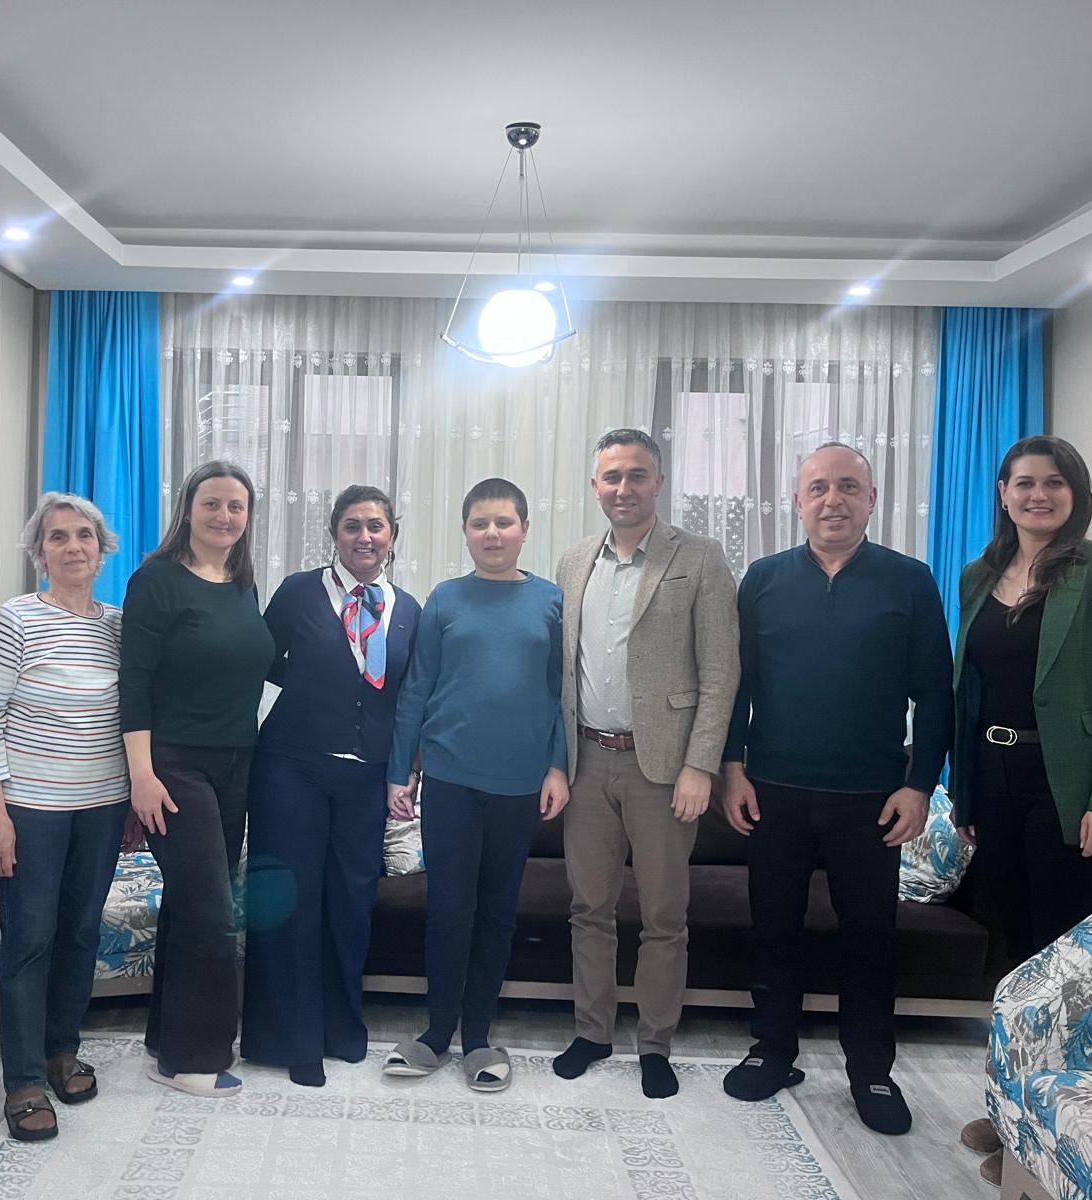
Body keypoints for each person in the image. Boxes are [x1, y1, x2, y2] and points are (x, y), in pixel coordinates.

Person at [948, 436, 1092, 1188]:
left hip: (1073, 790)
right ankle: (1009, 1107)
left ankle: (1052, 1128)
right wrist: (966, 793)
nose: (1038, 495)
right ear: (1003, 493)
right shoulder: (980, 574)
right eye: (1023, 483)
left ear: (1076, 493)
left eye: (1054, 483)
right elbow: (970, 692)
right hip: (994, 780)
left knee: (1066, 964)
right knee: (1013, 957)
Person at [719, 442, 952, 1136]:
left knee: (870, 939)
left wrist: (920, 785)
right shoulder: (763, 578)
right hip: (773, 791)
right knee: (774, 931)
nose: (833, 500)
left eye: (849, 486)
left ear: (872, 500)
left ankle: (871, 1070)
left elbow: (935, 694)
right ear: (797, 502)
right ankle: (772, 1050)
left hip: (871, 800)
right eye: (818, 487)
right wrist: (732, 766)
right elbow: (737, 684)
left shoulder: (909, 581)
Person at [551, 429, 740, 1099]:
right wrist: (556, 761)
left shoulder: (701, 556)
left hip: (663, 770)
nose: (623, 488)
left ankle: (655, 1044)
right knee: (588, 908)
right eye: (612, 477)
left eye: (636, 475)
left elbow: (721, 671)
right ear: (595, 486)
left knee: (663, 916)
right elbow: (561, 670)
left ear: (658, 482)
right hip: (586, 762)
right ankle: (592, 1032)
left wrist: (701, 766)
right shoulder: (574, 561)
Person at [381, 477, 569, 1093]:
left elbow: (560, 693)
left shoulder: (551, 601)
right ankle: (437, 1033)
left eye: (503, 522)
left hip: (519, 784)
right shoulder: (445, 599)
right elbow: (417, 688)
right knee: (449, 909)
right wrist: (399, 771)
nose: (492, 533)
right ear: (465, 531)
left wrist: (557, 766)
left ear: (524, 529)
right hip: (450, 778)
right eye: (480, 523)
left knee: (496, 912)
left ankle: (480, 1038)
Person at [241, 485, 422, 1088]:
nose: (364, 537)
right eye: (351, 526)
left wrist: (404, 771)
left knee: (350, 901)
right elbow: (260, 663)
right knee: (288, 901)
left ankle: (341, 1027)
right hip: (291, 767)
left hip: (365, 779)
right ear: (334, 535)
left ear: (392, 534)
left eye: (375, 526)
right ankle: (289, 1040)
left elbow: (408, 698)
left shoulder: (408, 608)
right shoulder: (299, 591)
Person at [0, 493, 131, 1141]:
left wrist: (130, 801)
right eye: (57, 537)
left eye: (84, 535)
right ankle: (24, 1079)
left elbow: (130, 719)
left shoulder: (118, 626)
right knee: (30, 939)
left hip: (102, 807)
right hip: (32, 811)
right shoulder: (16, 620)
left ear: (101, 549)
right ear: (40, 553)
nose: (73, 547)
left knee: (81, 933)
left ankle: (63, 1049)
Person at [119, 461, 274, 1098]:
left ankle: (165, 1039)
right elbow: (135, 681)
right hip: (174, 765)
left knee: (191, 902)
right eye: (212, 503)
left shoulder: (242, 583)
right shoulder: (156, 580)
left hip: (237, 762)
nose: (224, 516)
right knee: (213, 911)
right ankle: (195, 1057)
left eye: (236, 506)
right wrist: (142, 775)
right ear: (188, 508)